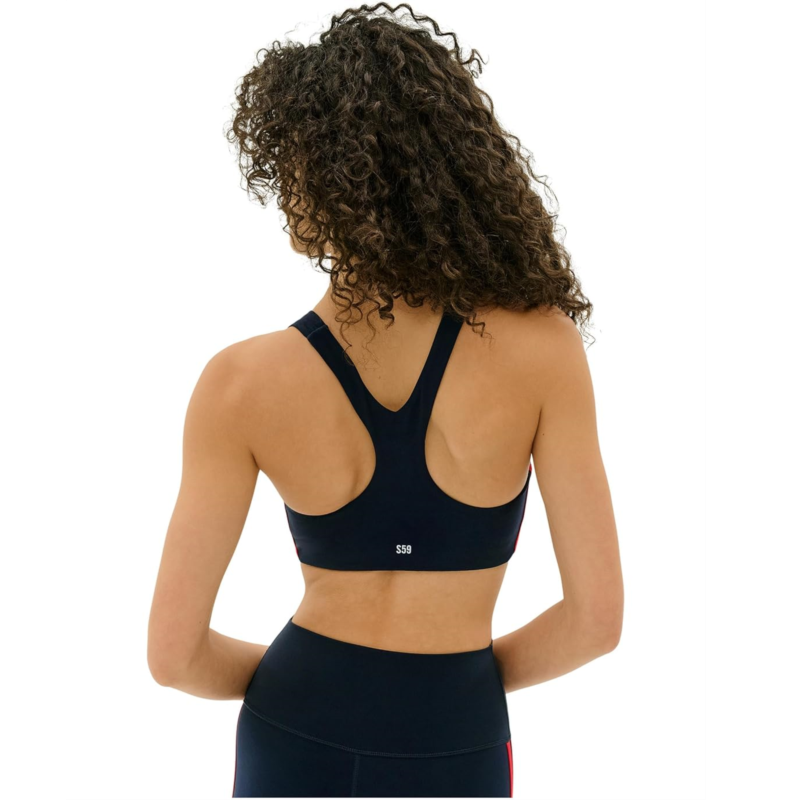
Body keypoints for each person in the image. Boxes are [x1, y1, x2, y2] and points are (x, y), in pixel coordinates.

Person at [147, 3, 624, 797]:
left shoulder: (240, 382)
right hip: (458, 735)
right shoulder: (544, 352)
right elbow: (595, 621)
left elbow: (174, 657)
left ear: (328, 176)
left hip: (293, 731)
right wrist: (445, 690)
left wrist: (322, 689)